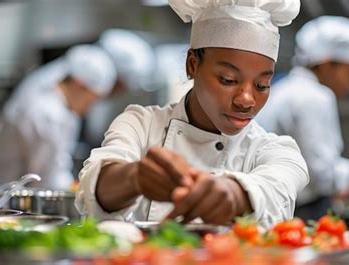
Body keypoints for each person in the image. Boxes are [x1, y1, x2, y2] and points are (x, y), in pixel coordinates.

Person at [75, 0, 308, 228]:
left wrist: (234, 193)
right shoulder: (141, 125)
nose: (246, 100)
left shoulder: (276, 150)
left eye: (262, 85)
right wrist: (135, 177)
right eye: (228, 79)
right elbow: (92, 189)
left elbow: (277, 188)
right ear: (192, 65)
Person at [255, 16, 349, 220]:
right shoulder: (314, 96)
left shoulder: (285, 88)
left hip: (272, 207)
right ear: (326, 64)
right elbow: (324, 177)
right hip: (299, 212)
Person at [0, 45, 117, 189]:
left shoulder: (57, 105)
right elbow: (47, 179)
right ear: (79, 84)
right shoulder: (49, 114)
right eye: (91, 100)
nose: (89, 109)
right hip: (9, 198)